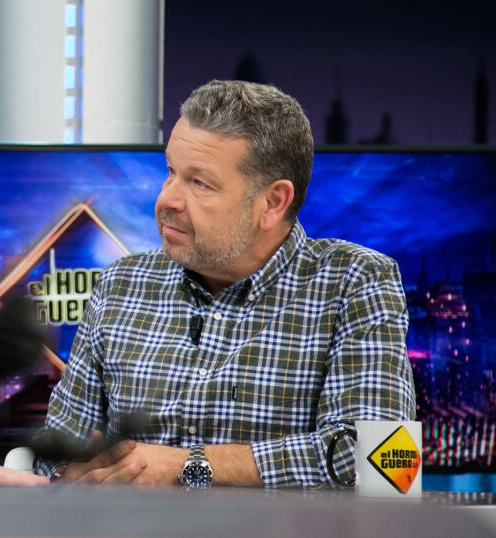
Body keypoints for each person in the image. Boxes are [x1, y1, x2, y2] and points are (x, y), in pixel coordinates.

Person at [35, 80, 416, 488]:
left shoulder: (355, 283)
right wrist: (70, 472)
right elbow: (54, 452)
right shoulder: (120, 285)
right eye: (171, 172)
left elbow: (383, 466)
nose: (167, 200)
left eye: (200, 183)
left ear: (272, 203)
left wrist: (187, 467)